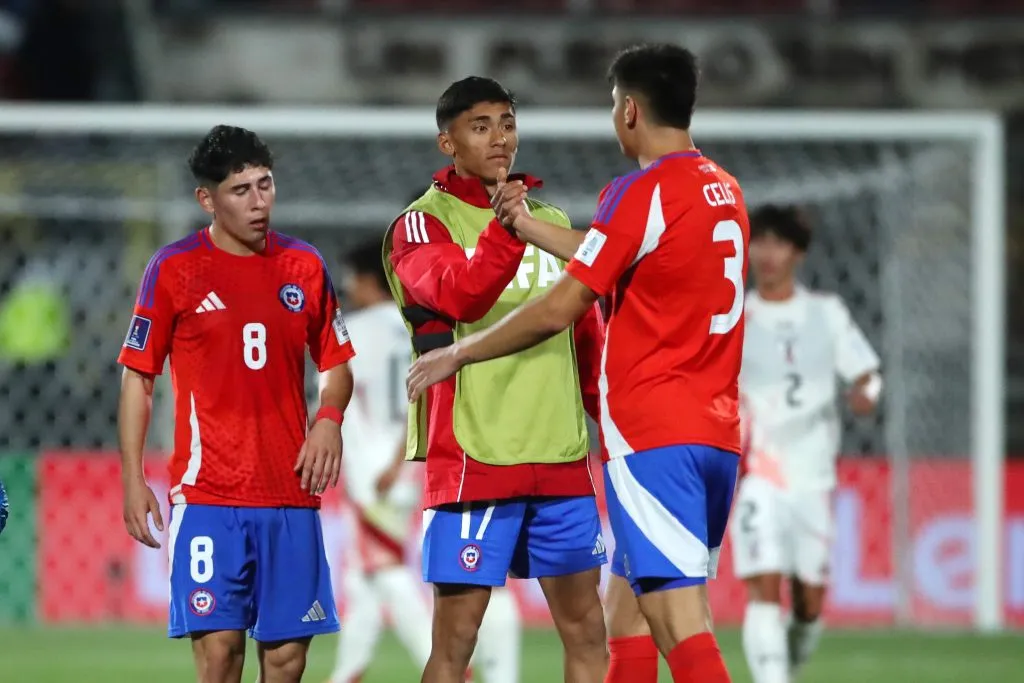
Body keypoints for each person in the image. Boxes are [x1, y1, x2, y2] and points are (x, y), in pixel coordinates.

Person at [407, 44, 748, 683]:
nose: (501, 136)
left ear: (629, 112)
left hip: (654, 436)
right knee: (623, 621)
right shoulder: (724, 190)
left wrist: (461, 352)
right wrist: (530, 230)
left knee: (679, 622)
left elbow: (563, 308)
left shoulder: (639, 191)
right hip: (715, 433)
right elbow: (615, 255)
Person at [382, 77, 609, 683]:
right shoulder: (421, 227)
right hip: (474, 459)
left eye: (507, 123)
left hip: (561, 454)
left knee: (588, 632)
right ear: (447, 142)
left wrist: (611, 429)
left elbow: (586, 339)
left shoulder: (551, 221)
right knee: (456, 645)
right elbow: (461, 294)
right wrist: (511, 229)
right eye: (480, 126)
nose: (499, 137)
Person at [117, 125, 355, 683]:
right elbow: (137, 379)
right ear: (207, 199)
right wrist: (133, 477)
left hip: (291, 494)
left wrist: (330, 419)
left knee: (287, 660)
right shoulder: (174, 268)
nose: (259, 202)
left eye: (265, 185)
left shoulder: (304, 264)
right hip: (209, 496)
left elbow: (337, 361)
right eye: (241, 190)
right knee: (220, 654)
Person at [731, 205, 881, 683]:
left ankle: (789, 661)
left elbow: (868, 376)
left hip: (812, 475)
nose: (768, 254)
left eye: (780, 244)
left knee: (810, 603)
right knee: (763, 584)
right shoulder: (737, 315)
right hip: (759, 471)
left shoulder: (826, 313)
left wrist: (865, 395)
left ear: (797, 252)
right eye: (761, 243)